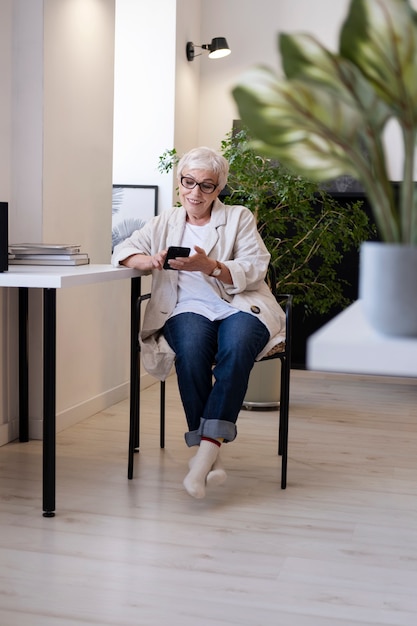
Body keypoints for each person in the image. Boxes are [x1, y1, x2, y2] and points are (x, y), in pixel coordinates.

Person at [112, 147, 286, 499]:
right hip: (184, 308)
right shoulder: (164, 223)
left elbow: (256, 266)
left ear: (218, 188)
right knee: (190, 352)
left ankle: (204, 454)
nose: (196, 193)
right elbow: (122, 250)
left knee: (236, 349)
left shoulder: (238, 218)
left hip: (239, 304)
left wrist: (212, 267)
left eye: (207, 186)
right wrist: (150, 260)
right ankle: (211, 454)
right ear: (180, 183)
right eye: (189, 182)